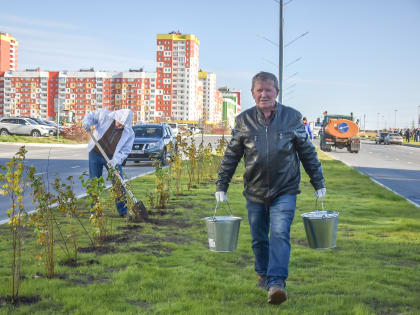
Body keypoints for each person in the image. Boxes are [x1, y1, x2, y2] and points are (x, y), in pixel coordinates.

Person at [215, 71, 325, 305]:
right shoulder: (244, 120)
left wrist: (318, 182)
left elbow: (307, 152)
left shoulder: (292, 118)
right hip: (254, 191)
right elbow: (231, 155)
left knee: (279, 233)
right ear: (253, 93)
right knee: (258, 238)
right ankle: (263, 274)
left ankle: (276, 283)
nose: (264, 94)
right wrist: (221, 185)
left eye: (268, 90)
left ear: (277, 92)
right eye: (259, 90)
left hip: (284, 190)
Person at [82, 108, 135, 217]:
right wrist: (86, 122)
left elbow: (126, 151)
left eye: (123, 125)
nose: (120, 126)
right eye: (119, 123)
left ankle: (123, 211)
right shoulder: (104, 115)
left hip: (112, 159)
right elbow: (91, 115)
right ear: (116, 117)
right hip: (95, 153)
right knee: (95, 182)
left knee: (118, 183)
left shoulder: (129, 133)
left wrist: (116, 160)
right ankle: (95, 211)